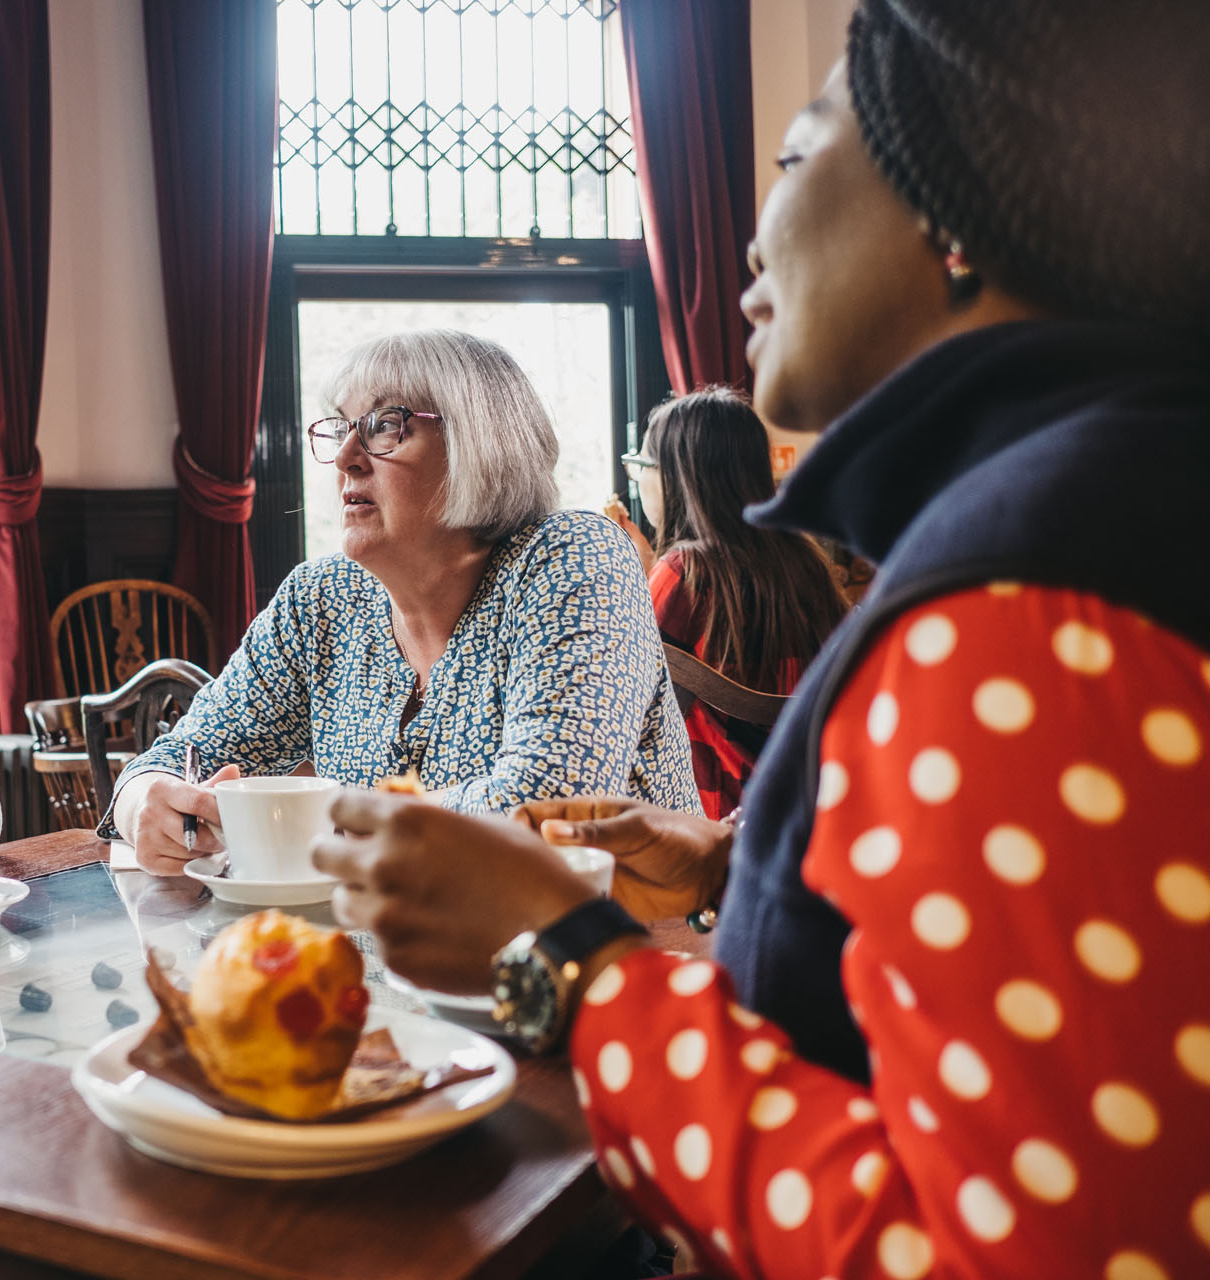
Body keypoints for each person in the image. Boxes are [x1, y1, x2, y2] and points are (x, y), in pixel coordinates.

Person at [314, 2, 1210, 1275]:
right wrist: (744, 868)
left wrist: (578, 967)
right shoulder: (1118, 508)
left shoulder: (1025, 616)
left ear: (952, 211)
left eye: (795, 156)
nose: (752, 226)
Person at [108, 329, 699, 875]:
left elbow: (550, 807)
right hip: (401, 966)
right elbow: (180, 757)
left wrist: (312, 819)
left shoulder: (574, 554)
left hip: (624, 961)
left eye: (386, 425)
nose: (345, 457)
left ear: (482, 445)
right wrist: (146, 801)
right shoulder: (322, 599)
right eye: (342, 428)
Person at [609, 388, 849, 817]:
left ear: (674, 476)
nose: (636, 479)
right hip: (805, 807)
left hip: (709, 820)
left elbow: (618, 713)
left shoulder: (684, 573)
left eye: (640, 465)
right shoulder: (806, 563)